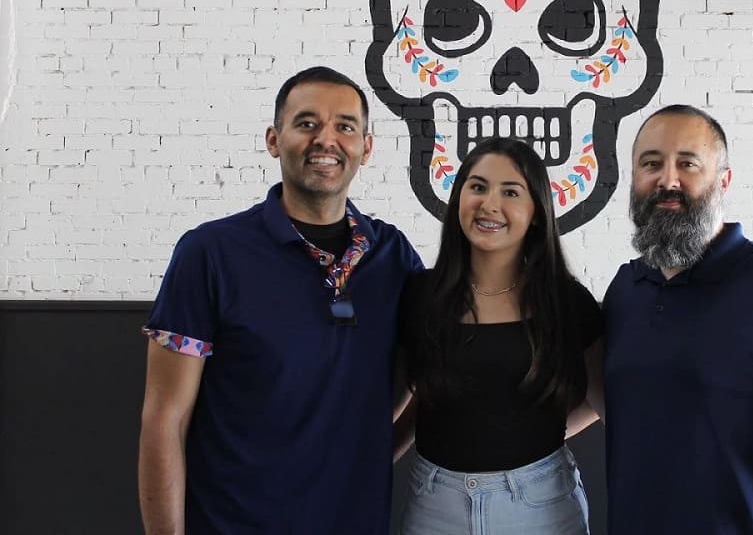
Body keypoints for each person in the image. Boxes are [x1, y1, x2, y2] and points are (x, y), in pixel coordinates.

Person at [138, 67, 424, 535]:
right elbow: (165, 419)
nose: (325, 140)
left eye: (345, 127)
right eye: (306, 123)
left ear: (366, 148)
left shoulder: (394, 257)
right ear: (274, 140)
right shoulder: (210, 254)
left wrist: (370, 452)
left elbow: (430, 376)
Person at [602, 104, 753, 535]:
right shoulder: (624, 289)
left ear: (723, 181)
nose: (668, 180)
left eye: (688, 164)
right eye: (651, 164)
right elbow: (601, 401)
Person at [394, 136, 603, 535]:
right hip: (435, 505)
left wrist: (537, 438)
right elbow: (399, 406)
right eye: (477, 187)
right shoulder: (420, 296)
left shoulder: (565, 300)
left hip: (541, 505)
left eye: (510, 191)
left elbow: (603, 400)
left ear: (536, 212)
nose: (489, 204)